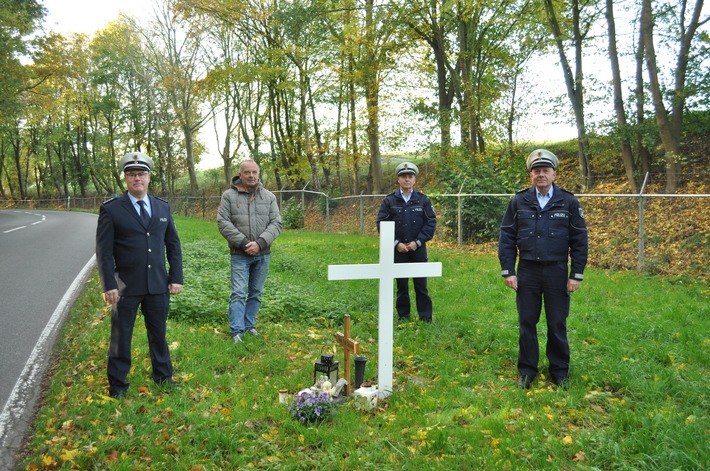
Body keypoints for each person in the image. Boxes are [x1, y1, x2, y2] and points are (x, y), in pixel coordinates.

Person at [96, 151, 183, 399]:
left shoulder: (162, 207)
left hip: (157, 284)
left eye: (141, 174)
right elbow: (104, 251)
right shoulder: (111, 210)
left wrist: (176, 277)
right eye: (132, 174)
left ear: (149, 177)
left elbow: (173, 245)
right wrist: (108, 284)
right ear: (125, 179)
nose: (137, 179)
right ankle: (118, 385)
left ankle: (164, 378)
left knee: (159, 335)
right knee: (120, 337)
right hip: (125, 287)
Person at [498, 149, 588, 389]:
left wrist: (575, 275)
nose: (541, 175)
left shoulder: (568, 201)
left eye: (545, 171)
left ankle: (560, 372)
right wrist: (509, 270)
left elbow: (579, 240)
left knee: (557, 323)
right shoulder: (519, 201)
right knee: (527, 322)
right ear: (531, 175)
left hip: (557, 272)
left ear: (554, 174)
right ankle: (527, 372)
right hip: (527, 271)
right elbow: (506, 236)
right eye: (536, 171)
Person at [217, 160, 282, 344]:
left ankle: (249, 326)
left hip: (263, 254)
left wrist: (260, 243)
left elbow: (276, 223)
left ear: (258, 174)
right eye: (247, 172)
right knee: (238, 292)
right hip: (240, 254)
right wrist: (245, 243)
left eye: (254, 172)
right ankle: (236, 331)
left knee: (256, 292)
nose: (251, 175)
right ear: (240, 174)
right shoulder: (229, 196)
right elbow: (223, 223)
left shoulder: (269, 197)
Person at [377, 162, 437, 322]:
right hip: (398, 251)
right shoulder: (389, 201)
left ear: (414, 180)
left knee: (421, 287)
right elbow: (381, 224)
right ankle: (403, 318)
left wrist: (417, 242)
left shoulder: (423, 201)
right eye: (404, 177)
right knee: (402, 287)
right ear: (398, 180)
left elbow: (430, 223)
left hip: (418, 250)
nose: (407, 180)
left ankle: (425, 319)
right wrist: (397, 244)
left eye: (410, 177)